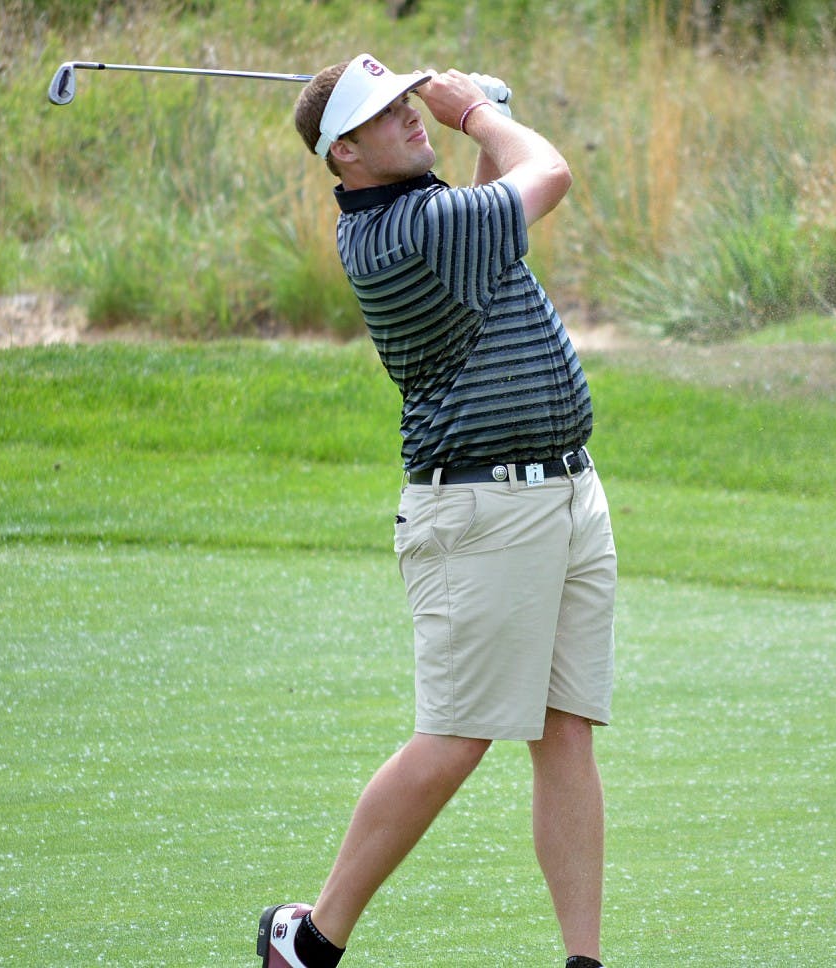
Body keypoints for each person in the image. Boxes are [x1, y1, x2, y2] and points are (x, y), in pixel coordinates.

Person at [258, 52, 616, 968]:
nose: (411, 114)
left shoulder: (431, 216)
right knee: (456, 739)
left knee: (565, 729)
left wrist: (477, 125)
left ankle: (584, 960)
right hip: (480, 514)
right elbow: (551, 174)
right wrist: (478, 116)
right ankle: (313, 941)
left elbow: (493, 212)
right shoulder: (409, 233)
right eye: (388, 113)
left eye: (409, 101)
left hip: (566, 494)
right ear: (347, 156)